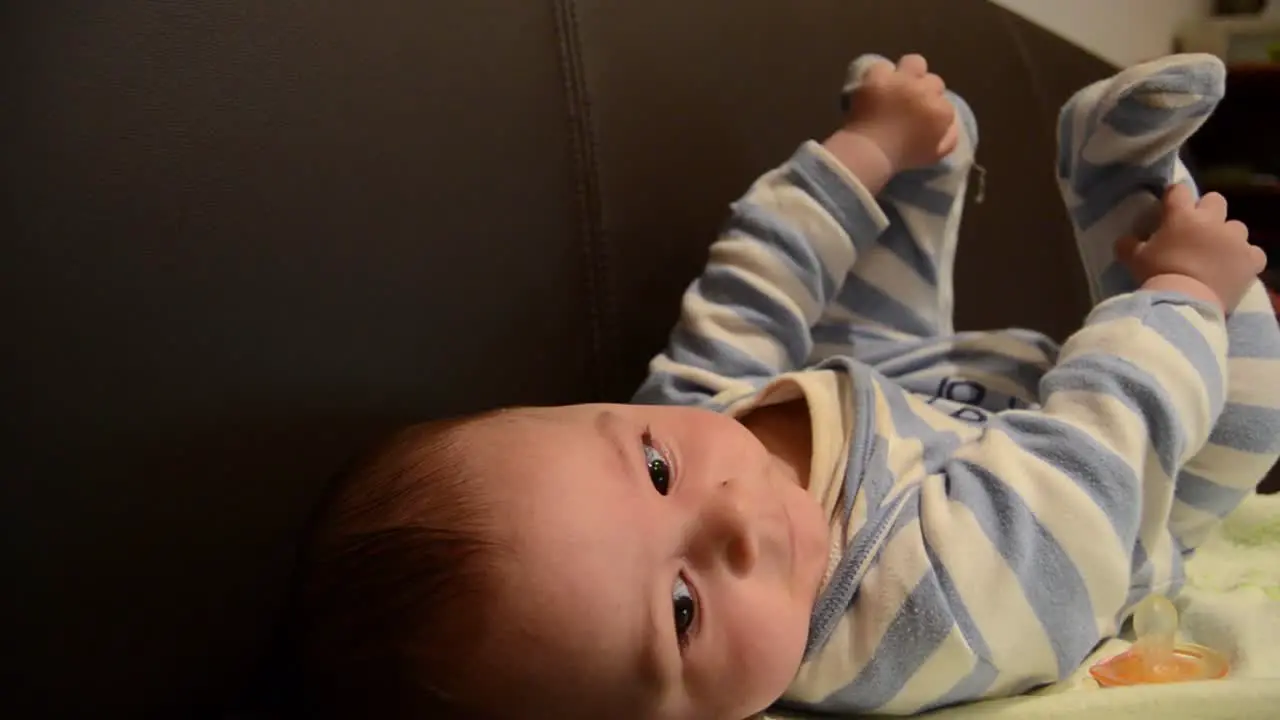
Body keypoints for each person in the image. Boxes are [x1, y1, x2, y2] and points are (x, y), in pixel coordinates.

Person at [293, 53, 1280, 719]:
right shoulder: (896, 625)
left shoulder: (691, 409)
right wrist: (1182, 297)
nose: (724, 517)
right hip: (1103, 502)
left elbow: (756, 275)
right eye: (680, 611)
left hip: (933, 387)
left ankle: (928, 172)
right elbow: (1086, 469)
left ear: (614, 415)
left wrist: (866, 147)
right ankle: (1119, 182)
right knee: (1242, 411)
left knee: (836, 320)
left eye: (649, 467)